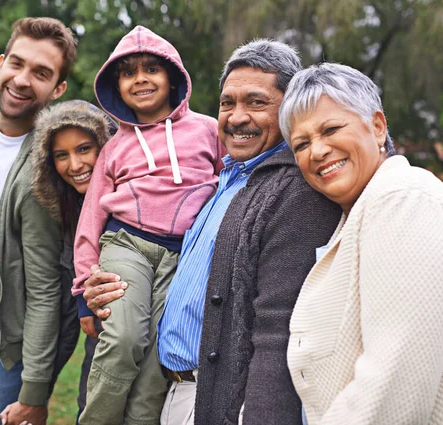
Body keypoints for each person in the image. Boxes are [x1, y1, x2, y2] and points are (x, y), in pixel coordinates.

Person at [82, 40, 341, 425]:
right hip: (173, 391)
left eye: (256, 103)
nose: (237, 118)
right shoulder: (222, 178)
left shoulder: (294, 191)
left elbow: (277, 329)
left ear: (291, 108)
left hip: (225, 400)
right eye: (227, 103)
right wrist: (98, 282)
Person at [279, 62, 443, 425]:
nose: (316, 151)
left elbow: (393, 389)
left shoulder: (404, 202)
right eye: (301, 144)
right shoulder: (364, 211)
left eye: (331, 129)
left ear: (377, 126)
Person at [72, 25, 224, 425]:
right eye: (128, 72)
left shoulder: (208, 130)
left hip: (183, 255)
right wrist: (83, 291)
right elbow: (90, 220)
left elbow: (231, 184)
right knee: (124, 338)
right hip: (127, 245)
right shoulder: (115, 147)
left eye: (151, 69)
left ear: (172, 77)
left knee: (159, 354)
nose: (140, 78)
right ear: (116, 86)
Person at [0, 17, 76, 425]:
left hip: (14, 341)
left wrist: (35, 393)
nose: (22, 80)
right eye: (17, 64)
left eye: (41, 73)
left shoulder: (39, 175)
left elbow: (44, 291)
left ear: (57, 89)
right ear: (1, 63)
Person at [30, 100, 116, 423]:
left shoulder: (129, 200)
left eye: (84, 149)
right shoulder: (70, 208)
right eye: (61, 155)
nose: (75, 164)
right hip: (98, 338)